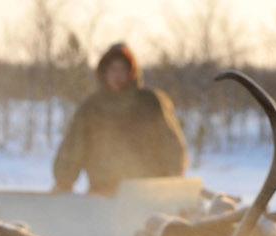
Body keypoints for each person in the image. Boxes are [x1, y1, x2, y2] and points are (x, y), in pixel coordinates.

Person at [52, 42, 189, 197]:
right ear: (104, 72)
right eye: (113, 69)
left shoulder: (150, 103)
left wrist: (172, 182)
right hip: (103, 195)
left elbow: (171, 145)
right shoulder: (91, 108)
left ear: (132, 72)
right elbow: (73, 147)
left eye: (123, 69)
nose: (118, 75)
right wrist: (64, 181)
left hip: (147, 195)